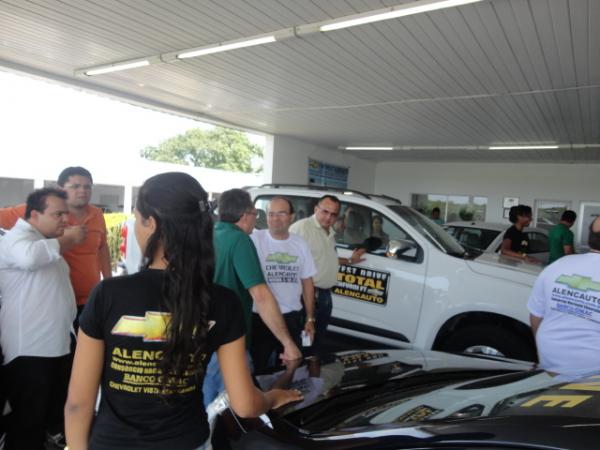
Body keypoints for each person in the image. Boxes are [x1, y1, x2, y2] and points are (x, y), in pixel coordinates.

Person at [64, 173, 302, 450]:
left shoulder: (108, 295)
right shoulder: (223, 302)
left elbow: (78, 403)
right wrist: (273, 397)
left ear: (151, 223)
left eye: (137, 219)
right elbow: (246, 404)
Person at [202, 189, 301, 406]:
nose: (256, 220)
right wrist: (288, 343)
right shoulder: (239, 241)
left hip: (203, 337)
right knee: (233, 407)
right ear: (245, 214)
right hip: (230, 341)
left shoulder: (209, 234)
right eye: (256, 214)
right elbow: (261, 295)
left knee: (206, 403)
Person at [0, 188, 76, 450]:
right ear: (35, 214)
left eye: (66, 213)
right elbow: (29, 257)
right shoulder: (16, 239)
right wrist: (67, 240)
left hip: (53, 346)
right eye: (58, 214)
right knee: (27, 423)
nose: (65, 220)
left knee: (45, 419)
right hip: (30, 349)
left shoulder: (42, 241)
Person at [0, 166, 110, 320]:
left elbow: (102, 247)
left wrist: (109, 281)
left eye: (87, 186)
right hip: (52, 304)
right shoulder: (41, 209)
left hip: (91, 299)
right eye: (75, 186)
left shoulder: (97, 214)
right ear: (60, 189)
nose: (83, 191)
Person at [290, 195, 365, 351]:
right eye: (325, 212)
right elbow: (290, 264)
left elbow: (327, 258)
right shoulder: (302, 228)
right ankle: (298, 374)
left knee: (316, 344)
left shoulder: (329, 231)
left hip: (324, 296)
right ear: (316, 209)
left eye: (333, 214)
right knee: (302, 345)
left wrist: (350, 261)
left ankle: (311, 373)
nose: (328, 217)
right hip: (307, 297)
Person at [528, 217, 600, 378]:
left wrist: (546, 351)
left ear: (590, 239)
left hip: (550, 363)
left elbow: (536, 316)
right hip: (593, 375)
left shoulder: (559, 265)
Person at [250, 197, 317, 371]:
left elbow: (307, 282)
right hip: (260, 319)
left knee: (291, 367)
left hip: (291, 318)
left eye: (281, 214)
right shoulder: (254, 240)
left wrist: (310, 318)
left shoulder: (300, 244)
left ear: (291, 217)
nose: (275, 219)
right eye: (271, 214)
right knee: (258, 369)